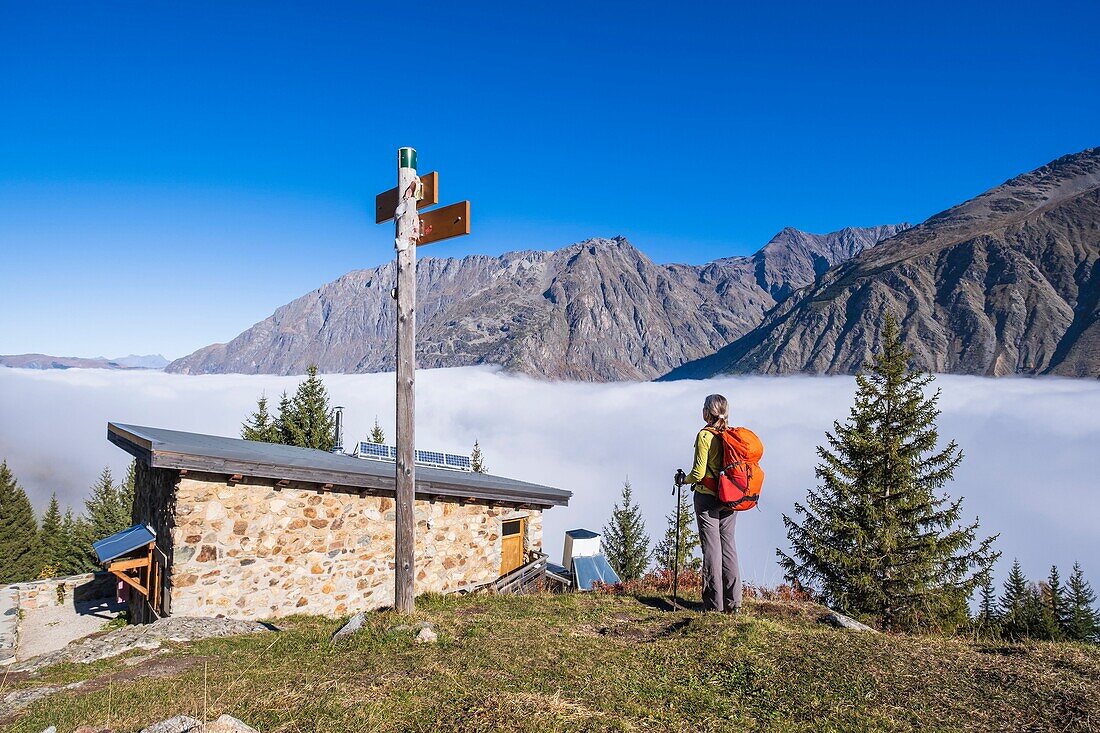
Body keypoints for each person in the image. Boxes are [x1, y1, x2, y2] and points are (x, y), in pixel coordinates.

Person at [676, 393, 741, 613]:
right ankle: (734, 604)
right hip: (731, 498)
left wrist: (683, 480)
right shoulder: (730, 435)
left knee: (711, 550)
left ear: (707, 412)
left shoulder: (705, 436)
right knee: (729, 547)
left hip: (708, 498)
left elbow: (698, 472)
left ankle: (714, 604)